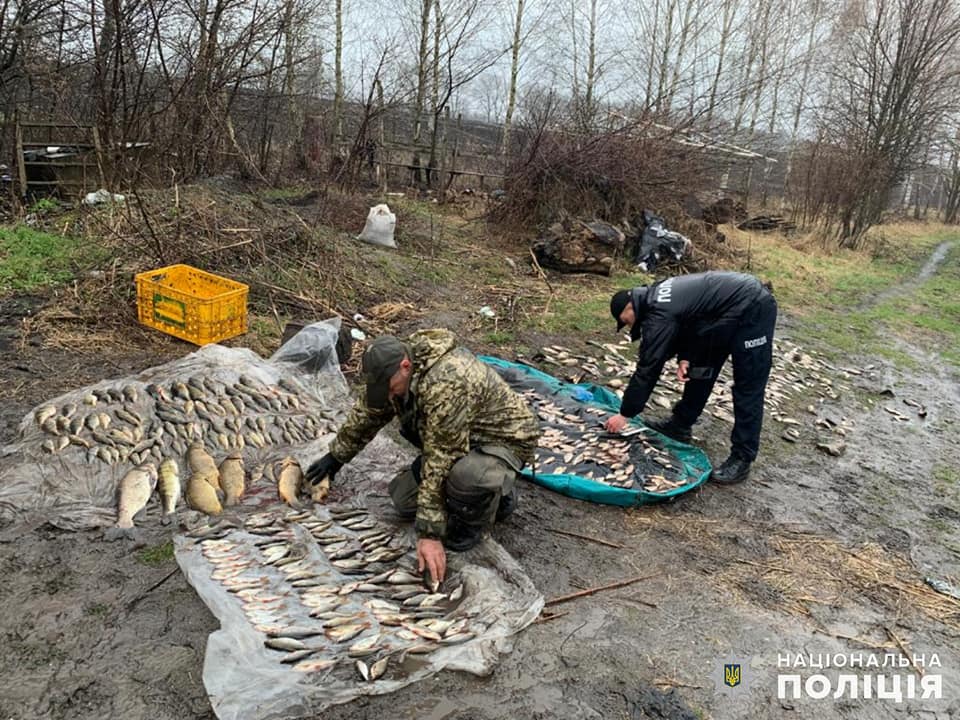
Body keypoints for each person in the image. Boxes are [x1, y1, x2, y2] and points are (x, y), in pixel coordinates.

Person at [305, 329, 540, 584]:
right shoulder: (396, 375)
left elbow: (442, 458)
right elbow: (369, 414)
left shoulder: (448, 380)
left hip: (502, 441)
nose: (388, 393)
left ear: (405, 366)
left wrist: (429, 535)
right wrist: (336, 457)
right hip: (455, 439)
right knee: (403, 500)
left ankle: (496, 497)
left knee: (465, 479)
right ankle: (473, 491)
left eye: (389, 386)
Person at [605, 271, 777, 485]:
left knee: (748, 385)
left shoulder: (658, 310)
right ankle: (680, 424)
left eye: (625, 321)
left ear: (630, 306)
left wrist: (625, 414)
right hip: (721, 317)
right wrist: (686, 357)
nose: (630, 326)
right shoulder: (655, 296)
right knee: (699, 370)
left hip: (753, 306)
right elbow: (693, 319)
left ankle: (742, 458)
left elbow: (648, 367)